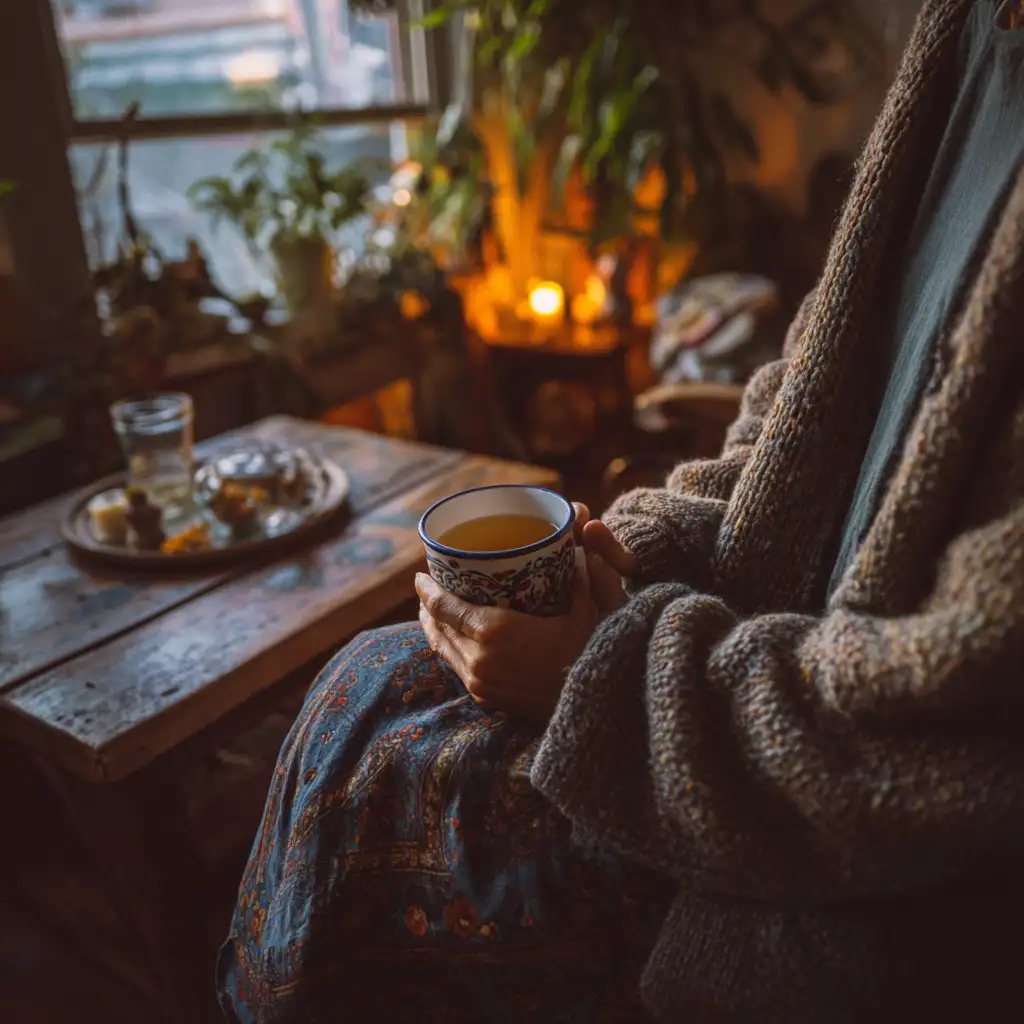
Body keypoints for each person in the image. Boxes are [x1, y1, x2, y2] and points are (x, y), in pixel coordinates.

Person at [216, 1, 1024, 1020]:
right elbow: (800, 419)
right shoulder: (961, 29)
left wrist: (593, 676)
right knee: (367, 677)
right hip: (743, 673)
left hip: (842, 862)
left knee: (378, 780)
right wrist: (632, 550)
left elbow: (947, 746)